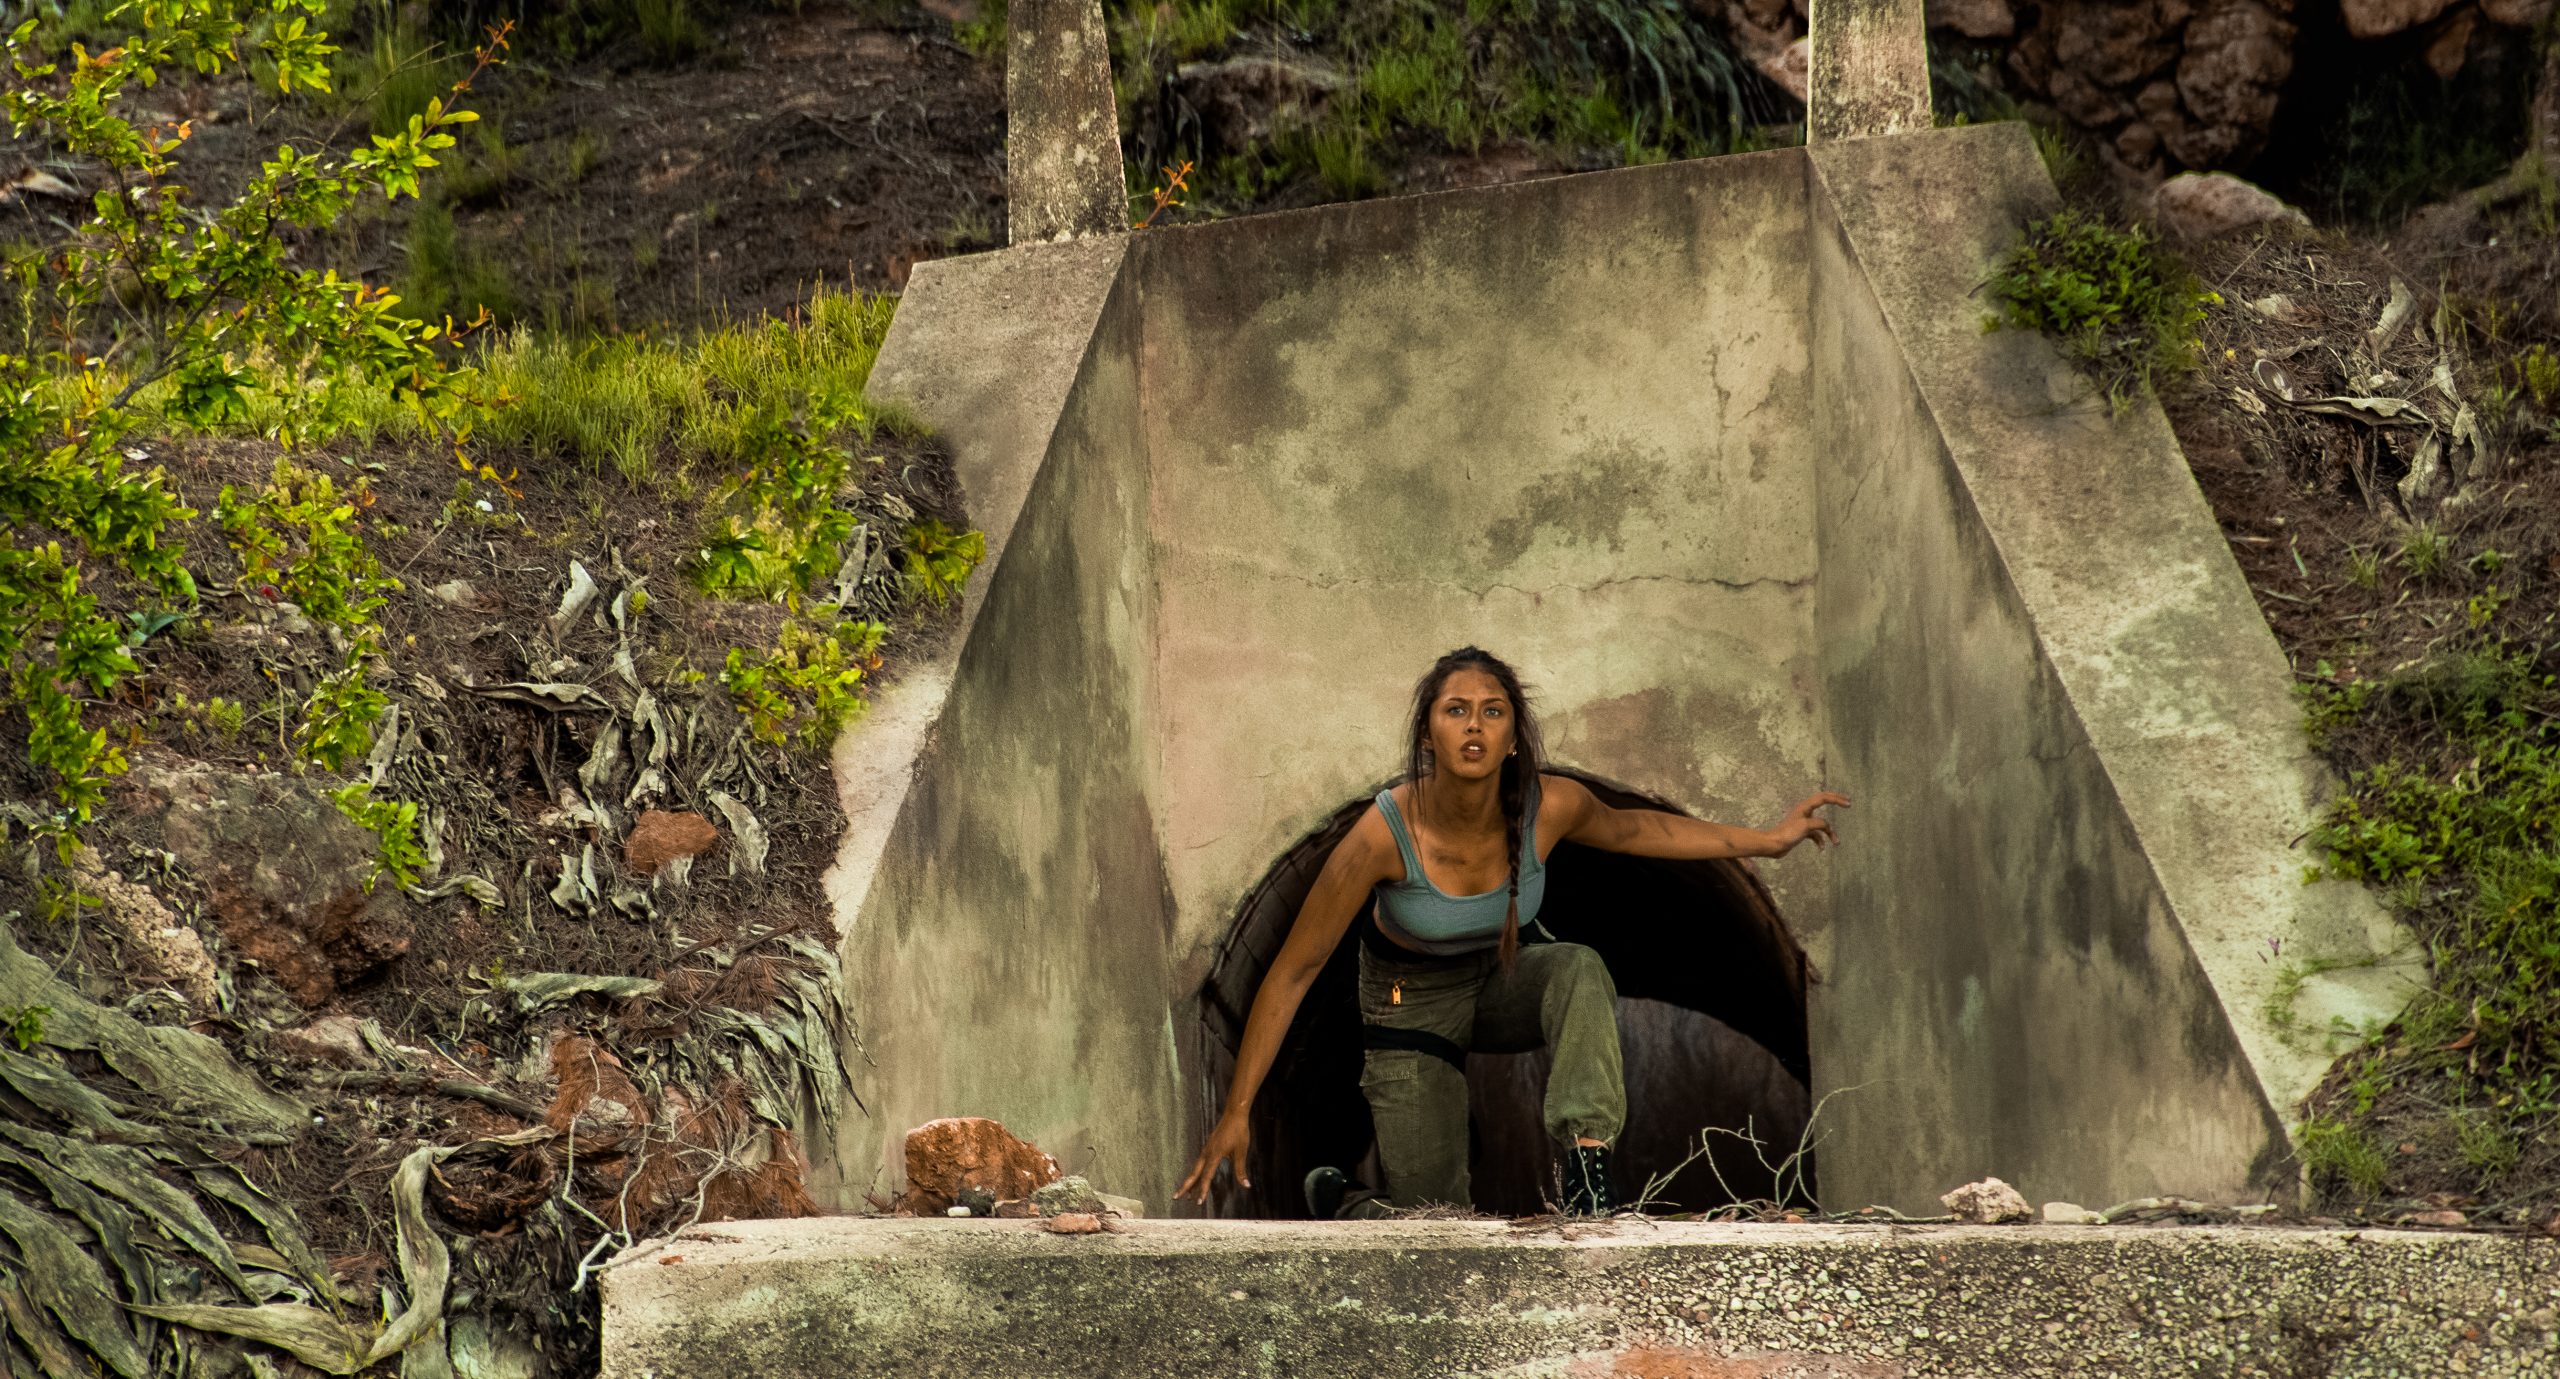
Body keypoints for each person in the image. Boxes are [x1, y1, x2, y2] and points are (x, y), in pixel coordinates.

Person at [1177, 646, 1847, 1219]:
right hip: (1409, 1001)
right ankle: (1351, 1201)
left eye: (1492, 711)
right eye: (1455, 710)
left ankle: (1587, 1172)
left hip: (1502, 977)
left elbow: (1639, 829)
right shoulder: (1383, 835)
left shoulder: (1549, 806)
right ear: (1427, 736)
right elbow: (1294, 970)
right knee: (1436, 1226)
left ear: (1514, 738)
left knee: (1577, 965)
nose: (1474, 725)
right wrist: (1238, 1109)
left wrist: (1768, 840)